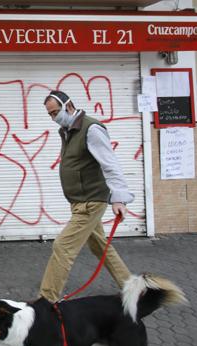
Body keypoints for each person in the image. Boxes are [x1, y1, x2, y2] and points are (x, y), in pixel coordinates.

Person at [39, 90, 134, 303]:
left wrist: (119, 198)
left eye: (55, 112)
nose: (53, 118)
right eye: (50, 115)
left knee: (63, 246)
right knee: (99, 246)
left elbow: (110, 164)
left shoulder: (91, 129)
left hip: (91, 202)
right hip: (80, 201)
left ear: (68, 106)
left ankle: (47, 300)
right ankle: (133, 288)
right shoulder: (68, 130)